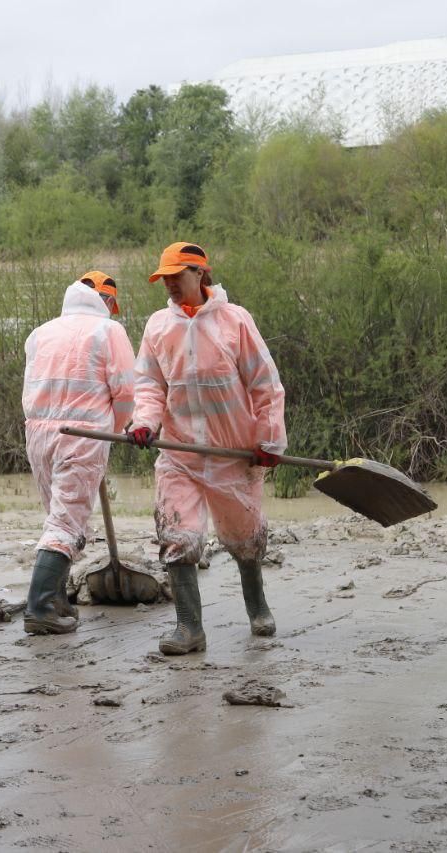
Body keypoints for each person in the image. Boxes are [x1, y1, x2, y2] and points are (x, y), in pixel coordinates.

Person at [129, 242, 286, 654]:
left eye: (176, 276)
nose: (169, 285)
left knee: (244, 536)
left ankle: (257, 607)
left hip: (233, 452)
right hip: (179, 452)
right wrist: (144, 422)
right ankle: (189, 629)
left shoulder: (235, 322)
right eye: (164, 278)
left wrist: (269, 439)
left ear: (200, 274)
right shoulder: (158, 327)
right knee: (177, 533)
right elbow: (148, 384)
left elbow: (265, 384)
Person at [21, 271, 135, 634]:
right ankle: (39, 609)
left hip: (38, 433)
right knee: (66, 524)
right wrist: (114, 432)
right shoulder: (108, 331)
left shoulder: (41, 331)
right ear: (107, 302)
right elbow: (125, 393)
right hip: (83, 434)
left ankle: (56, 599)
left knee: (57, 517)